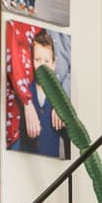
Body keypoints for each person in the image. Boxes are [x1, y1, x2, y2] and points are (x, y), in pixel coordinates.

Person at [5, 22, 66, 157]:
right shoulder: (26, 92)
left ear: (54, 64)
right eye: (37, 60)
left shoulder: (60, 97)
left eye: (46, 61)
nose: (42, 66)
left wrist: (63, 112)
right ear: (31, 61)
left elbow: (69, 132)